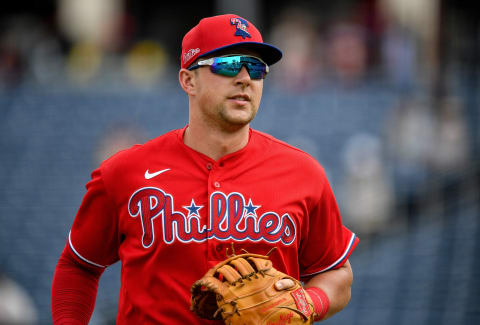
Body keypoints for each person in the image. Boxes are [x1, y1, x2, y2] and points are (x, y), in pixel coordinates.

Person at [51, 14, 359, 324]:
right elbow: (78, 265)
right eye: (227, 65)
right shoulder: (125, 172)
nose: (244, 78)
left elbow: (336, 273)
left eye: (255, 68)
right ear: (188, 80)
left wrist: (309, 301)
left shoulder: (303, 173)